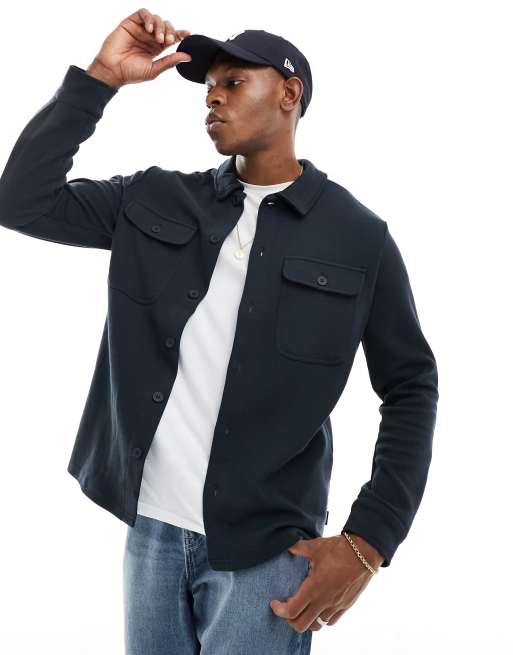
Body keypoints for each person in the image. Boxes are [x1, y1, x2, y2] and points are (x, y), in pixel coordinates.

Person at [0, 8, 439, 655]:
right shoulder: (153, 198)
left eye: (233, 82)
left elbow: (410, 387)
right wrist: (100, 78)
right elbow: (20, 200)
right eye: (208, 86)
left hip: (268, 552)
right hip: (150, 533)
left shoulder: (357, 236)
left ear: (288, 94)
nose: (212, 96)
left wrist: (368, 540)